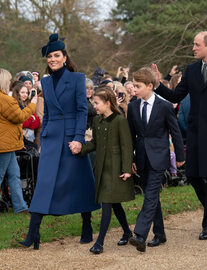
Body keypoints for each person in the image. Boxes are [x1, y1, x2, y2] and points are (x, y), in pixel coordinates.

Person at [152, 31, 207, 240]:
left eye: (196, 44)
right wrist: (157, 85)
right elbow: (176, 95)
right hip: (195, 133)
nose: (193, 48)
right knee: (192, 174)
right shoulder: (191, 70)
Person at [18, 33, 100, 250]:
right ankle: (33, 234)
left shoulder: (77, 78)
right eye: (49, 56)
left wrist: (78, 139)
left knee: (80, 182)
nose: (52, 59)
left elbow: (83, 110)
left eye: (56, 55)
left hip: (72, 138)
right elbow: (49, 115)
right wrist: (43, 140)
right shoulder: (44, 81)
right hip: (51, 138)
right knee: (44, 184)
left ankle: (86, 225)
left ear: (64, 57)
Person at [127, 68, 185, 252]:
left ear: (150, 86)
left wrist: (180, 158)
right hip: (142, 158)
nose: (134, 89)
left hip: (160, 157)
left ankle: (140, 235)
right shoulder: (133, 106)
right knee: (152, 197)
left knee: (151, 195)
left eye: (138, 86)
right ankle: (160, 233)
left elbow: (175, 132)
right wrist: (131, 159)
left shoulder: (165, 106)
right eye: (134, 85)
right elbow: (130, 136)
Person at [75, 86, 134, 254]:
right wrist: (81, 150)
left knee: (107, 203)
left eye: (97, 103)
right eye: (94, 103)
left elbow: (126, 146)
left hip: (116, 170)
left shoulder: (119, 120)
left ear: (108, 103)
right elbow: (94, 143)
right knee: (115, 204)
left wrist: (127, 169)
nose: (94, 106)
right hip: (101, 169)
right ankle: (127, 232)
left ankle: (99, 243)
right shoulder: (97, 121)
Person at [0, 68, 36, 213]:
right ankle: (20, 206)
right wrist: (33, 104)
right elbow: (19, 117)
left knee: (15, 175)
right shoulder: (6, 100)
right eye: (8, 81)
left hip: (7, 143)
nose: (10, 83)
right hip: (5, 144)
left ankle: (20, 206)